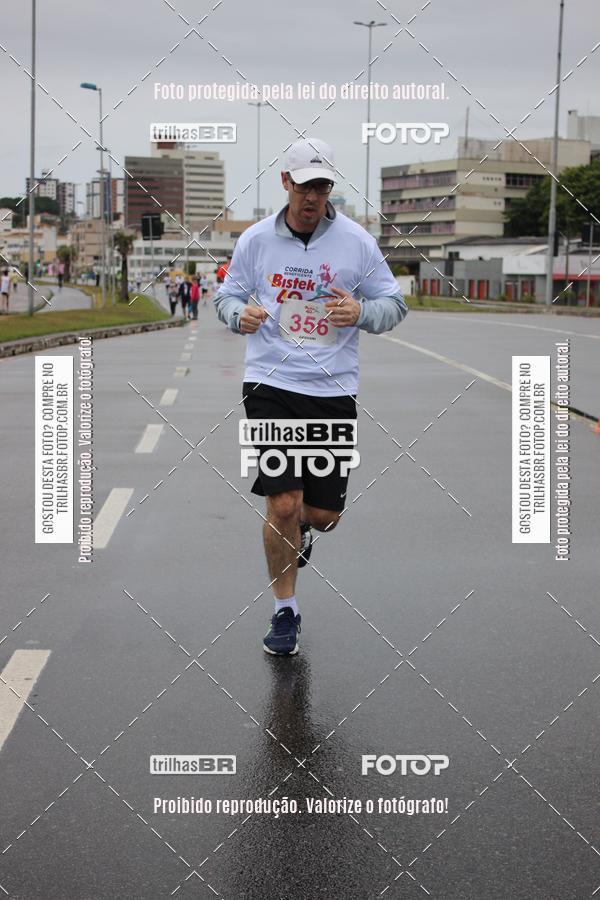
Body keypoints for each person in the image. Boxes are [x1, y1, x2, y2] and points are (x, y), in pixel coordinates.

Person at [214, 137, 408, 656]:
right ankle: (286, 611)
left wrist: (362, 313)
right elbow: (227, 295)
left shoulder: (357, 243)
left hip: (332, 388)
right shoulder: (256, 240)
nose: (313, 197)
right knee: (282, 501)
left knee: (322, 516)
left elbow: (394, 305)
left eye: (322, 187)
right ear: (285, 182)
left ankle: (300, 525)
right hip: (270, 383)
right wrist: (238, 314)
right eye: (304, 186)